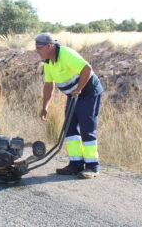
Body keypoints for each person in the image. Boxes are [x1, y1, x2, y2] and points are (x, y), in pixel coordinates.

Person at [35, 32, 103, 179]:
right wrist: (45, 106)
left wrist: (78, 89)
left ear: (49, 46)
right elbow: (48, 86)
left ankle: (92, 167)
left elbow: (87, 69)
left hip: (88, 93)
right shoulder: (48, 62)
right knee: (70, 128)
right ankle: (75, 165)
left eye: (39, 48)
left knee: (86, 127)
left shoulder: (66, 54)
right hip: (74, 95)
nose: (37, 51)